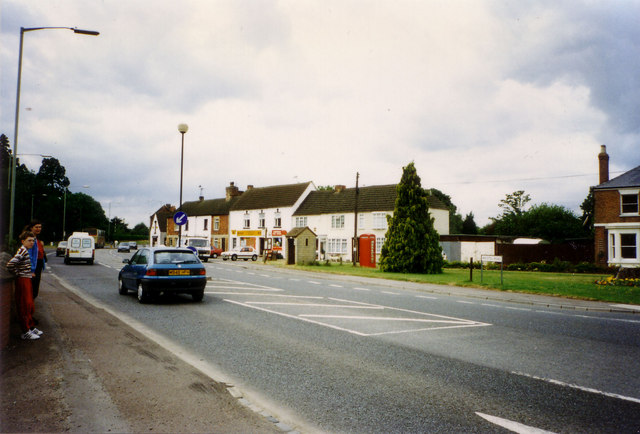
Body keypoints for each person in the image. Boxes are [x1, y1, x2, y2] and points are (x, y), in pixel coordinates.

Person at [6, 231, 43, 340]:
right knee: (24, 305)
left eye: (33, 241)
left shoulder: (26, 250)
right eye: (29, 241)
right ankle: (25, 331)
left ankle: (30, 326)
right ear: (23, 241)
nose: (31, 243)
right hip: (23, 280)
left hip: (27, 279)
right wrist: (18, 273)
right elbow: (10, 265)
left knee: (30, 305)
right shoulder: (22, 251)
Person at [25, 220, 46, 299]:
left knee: (35, 288)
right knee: (32, 289)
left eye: (40, 227)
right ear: (31, 228)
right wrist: (32, 270)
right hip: (34, 266)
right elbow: (29, 255)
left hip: (39, 265)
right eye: (36, 227)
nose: (38, 229)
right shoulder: (30, 239)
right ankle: (29, 308)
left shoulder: (37, 239)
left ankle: (31, 306)